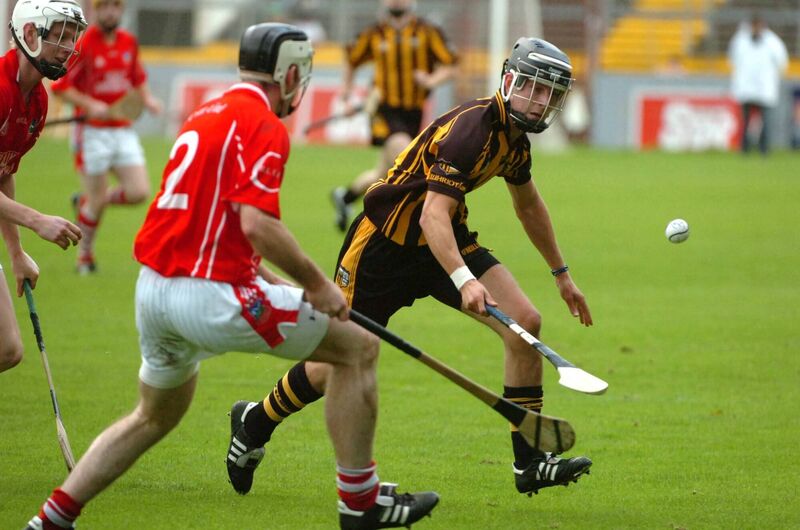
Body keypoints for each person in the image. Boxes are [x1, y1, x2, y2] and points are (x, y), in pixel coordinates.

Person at [25, 23, 439, 530]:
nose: (301, 89)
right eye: (301, 78)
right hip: (209, 298)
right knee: (358, 349)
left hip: (154, 291)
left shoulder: (207, 115)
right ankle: (360, 503)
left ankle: (50, 520)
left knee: (152, 416)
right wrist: (315, 283)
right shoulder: (263, 125)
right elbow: (258, 223)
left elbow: (218, 224)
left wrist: (271, 280)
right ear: (287, 76)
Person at [228, 37, 594, 499]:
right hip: (383, 248)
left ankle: (531, 462)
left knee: (525, 322)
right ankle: (255, 420)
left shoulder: (515, 142)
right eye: (534, 89)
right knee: (337, 361)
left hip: (442, 243)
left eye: (550, 95)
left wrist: (561, 275)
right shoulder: (472, 131)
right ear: (510, 82)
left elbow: (528, 206)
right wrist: (464, 280)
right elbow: (429, 215)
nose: (541, 103)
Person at [0, 0, 85, 373]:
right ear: (30, 33)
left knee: (7, 350)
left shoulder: (37, 103)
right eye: (61, 37)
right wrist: (35, 220)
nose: (68, 48)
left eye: (72, 38)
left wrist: (16, 253)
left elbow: (3, 172)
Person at [51, 0, 162, 274]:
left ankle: (86, 201)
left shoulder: (128, 42)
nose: (110, 12)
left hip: (122, 129)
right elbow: (60, 87)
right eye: (104, 7)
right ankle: (84, 257)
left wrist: (148, 100)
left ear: (121, 10)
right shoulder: (84, 44)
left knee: (138, 192)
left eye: (115, 6)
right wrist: (90, 105)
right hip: (92, 133)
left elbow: (137, 78)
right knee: (98, 199)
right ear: (96, 11)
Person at [330, 0, 457, 231]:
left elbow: (450, 66)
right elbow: (351, 60)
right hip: (384, 111)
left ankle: (345, 197)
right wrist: (347, 94)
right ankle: (410, 221)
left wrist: (430, 80)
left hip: (413, 113)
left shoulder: (428, 32)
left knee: (384, 172)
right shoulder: (374, 34)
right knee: (409, 159)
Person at [728, 13, 788, 155]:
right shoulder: (740, 39)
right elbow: (732, 59)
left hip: (765, 87)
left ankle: (763, 148)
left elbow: (781, 62)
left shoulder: (773, 42)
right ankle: (744, 148)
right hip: (746, 86)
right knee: (745, 119)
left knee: (765, 121)